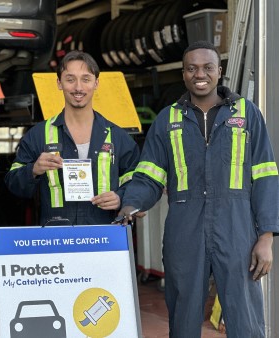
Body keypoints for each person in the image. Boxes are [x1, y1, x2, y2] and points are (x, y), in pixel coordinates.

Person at [118, 40, 279, 338]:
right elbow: (149, 173)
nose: (199, 74)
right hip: (185, 226)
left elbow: (266, 174)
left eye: (207, 67)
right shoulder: (168, 119)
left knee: (244, 316)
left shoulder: (247, 114)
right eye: (191, 68)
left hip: (237, 227)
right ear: (183, 74)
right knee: (183, 315)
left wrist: (266, 236)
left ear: (219, 72)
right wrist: (132, 203)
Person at [4, 50, 140, 225]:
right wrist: (33, 170)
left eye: (86, 79)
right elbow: (12, 184)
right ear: (59, 83)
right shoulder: (38, 135)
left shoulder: (118, 137)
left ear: (96, 83)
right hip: (57, 238)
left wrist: (121, 198)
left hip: (104, 239)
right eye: (70, 79)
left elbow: (138, 182)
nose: (78, 87)